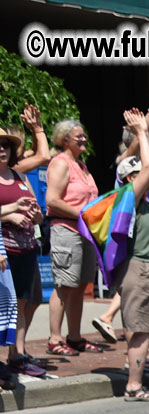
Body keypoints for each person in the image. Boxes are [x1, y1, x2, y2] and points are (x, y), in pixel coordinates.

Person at [112, 111, 149, 402]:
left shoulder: (142, 201)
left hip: (148, 268)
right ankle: (134, 386)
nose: (148, 176)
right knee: (142, 331)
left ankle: (135, 380)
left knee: (142, 329)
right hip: (142, 268)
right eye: (140, 175)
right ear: (130, 178)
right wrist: (142, 132)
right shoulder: (128, 195)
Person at [45, 118, 99, 361]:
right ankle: (55, 338)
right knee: (64, 285)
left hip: (85, 232)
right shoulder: (60, 163)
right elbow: (52, 200)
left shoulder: (82, 165)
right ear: (64, 139)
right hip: (66, 230)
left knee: (79, 286)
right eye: (79, 136)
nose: (84, 138)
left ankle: (74, 337)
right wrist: (82, 214)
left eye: (84, 134)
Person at [0, 122, 46, 380]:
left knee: (21, 303)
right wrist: (10, 215)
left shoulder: (19, 176)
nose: (2, 150)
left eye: (6, 145)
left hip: (26, 248)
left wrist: (35, 215)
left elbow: (37, 216)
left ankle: (16, 355)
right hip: (3, 250)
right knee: (2, 304)